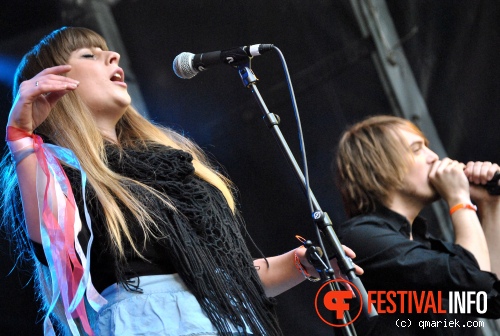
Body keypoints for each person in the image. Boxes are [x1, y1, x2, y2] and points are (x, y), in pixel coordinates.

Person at [0, 27, 362, 336]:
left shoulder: (168, 164)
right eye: (90, 55)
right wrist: (21, 138)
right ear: (52, 85)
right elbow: (48, 238)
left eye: (108, 51)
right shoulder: (55, 173)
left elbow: (218, 276)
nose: (113, 56)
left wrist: (300, 262)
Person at [335, 114, 500, 335]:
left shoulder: (427, 246)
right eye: (416, 149)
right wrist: (460, 198)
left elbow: (490, 298)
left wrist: (490, 205)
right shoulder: (360, 239)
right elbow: (473, 281)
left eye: (428, 147)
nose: (433, 157)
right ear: (380, 168)